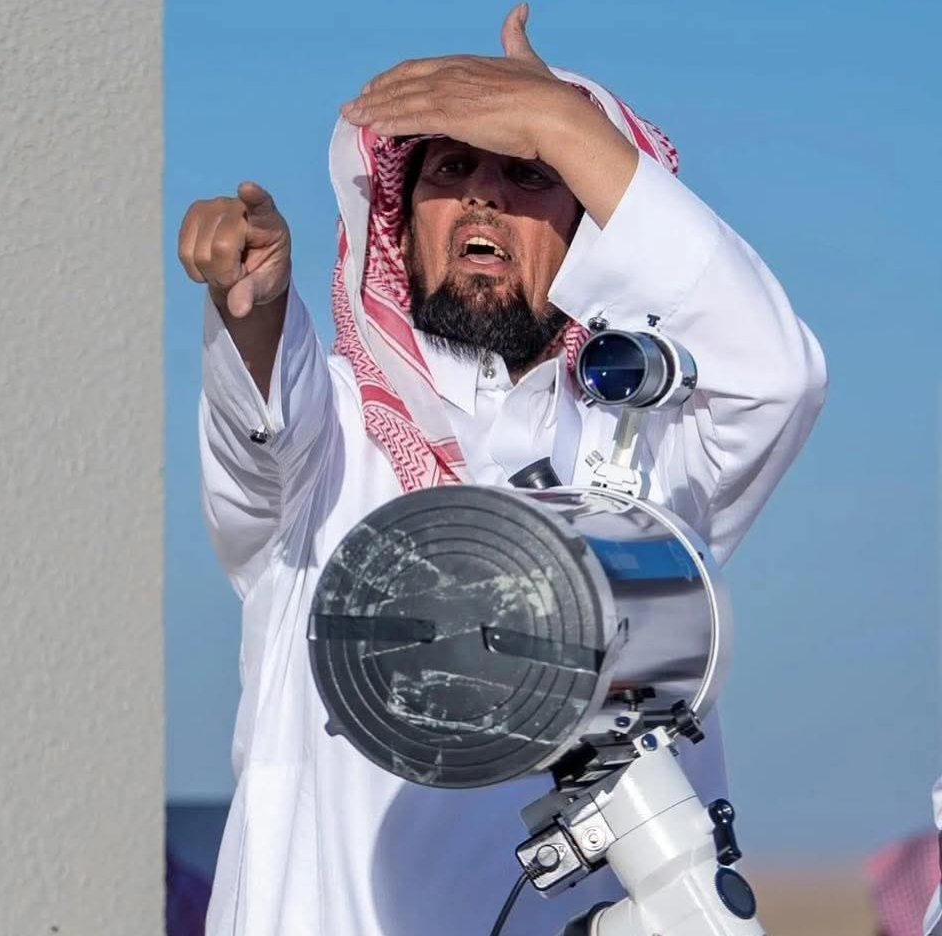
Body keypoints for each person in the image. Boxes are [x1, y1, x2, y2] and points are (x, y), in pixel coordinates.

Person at [178, 6, 827, 934]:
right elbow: (257, 432)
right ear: (399, 220)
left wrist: (560, 123)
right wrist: (253, 307)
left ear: (590, 231)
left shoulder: (647, 452)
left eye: (528, 172)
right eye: (451, 169)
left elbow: (777, 377)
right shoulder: (333, 436)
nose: (484, 197)